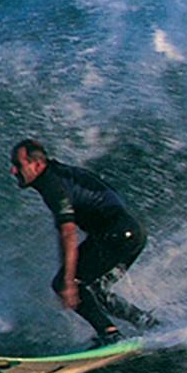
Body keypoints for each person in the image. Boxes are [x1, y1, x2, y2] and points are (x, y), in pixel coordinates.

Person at [8, 139, 155, 344]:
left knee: (65, 283)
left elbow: (68, 233)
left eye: (18, 164)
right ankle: (148, 323)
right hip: (133, 234)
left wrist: (68, 282)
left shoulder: (51, 183)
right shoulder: (59, 172)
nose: (13, 171)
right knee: (95, 290)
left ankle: (110, 335)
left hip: (116, 234)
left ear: (38, 164)